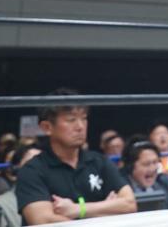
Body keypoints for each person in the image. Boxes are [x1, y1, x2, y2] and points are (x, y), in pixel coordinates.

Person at [14, 88, 136, 224]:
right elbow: (42, 220)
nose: (80, 126)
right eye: (71, 119)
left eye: (84, 118)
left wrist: (78, 209)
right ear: (47, 127)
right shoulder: (32, 171)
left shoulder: (99, 161)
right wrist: (105, 212)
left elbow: (129, 204)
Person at [122, 138, 168, 210]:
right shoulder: (121, 188)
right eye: (146, 164)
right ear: (130, 166)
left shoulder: (165, 182)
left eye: (155, 162)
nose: (152, 169)